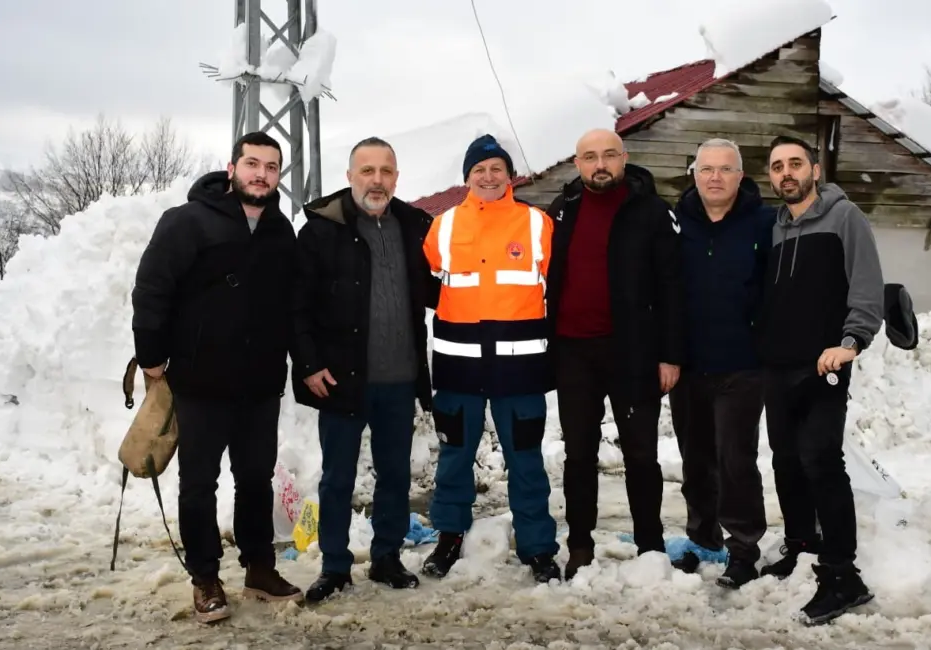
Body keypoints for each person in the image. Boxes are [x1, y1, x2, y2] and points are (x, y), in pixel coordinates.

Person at [131, 131, 301, 623]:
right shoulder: (188, 222)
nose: (261, 174)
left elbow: (291, 304)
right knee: (198, 484)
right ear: (232, 169)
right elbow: (152, 289)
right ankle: (205, 577)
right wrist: (151, 357)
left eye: (271, 167)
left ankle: (259, 568)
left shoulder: (279, 231)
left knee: (255, 479)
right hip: (201, 382)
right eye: (252, 164)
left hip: (260, 384)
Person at [290, 136, 439, 602]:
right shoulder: (320, 230)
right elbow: (296, 308)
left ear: (397, 177)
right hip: (341, 379)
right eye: (367, 170)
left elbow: (440, 290)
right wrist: (310, 364)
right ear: (350, 176)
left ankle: (386, 557)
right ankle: (334, 565)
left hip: (399, 377)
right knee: (338, 478)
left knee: (394, 474)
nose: (377, 180)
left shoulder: (415, 226)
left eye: (386, 171)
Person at [420, 134, 561, 583]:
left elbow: (558, 290)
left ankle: (537, 546)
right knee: (454, 458)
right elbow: (423, 288)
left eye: (495, 168)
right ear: (467, 177)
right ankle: (449, 537)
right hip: (459, 367)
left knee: (526, 460)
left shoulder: (537, 224)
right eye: (478, 170)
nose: (487, 176)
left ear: (509, 174)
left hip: (519, 369)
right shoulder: (442, 226)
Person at [543, 128, 683, 579]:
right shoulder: (562, 211)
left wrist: (669, 354)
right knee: (579, 454)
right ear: (577, 163)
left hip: (633, 353)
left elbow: (671, 287)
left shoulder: (651, 211)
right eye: (589, 157)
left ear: (624, 159)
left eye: (608, 155)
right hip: (574, 353)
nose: (599, 164)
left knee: (641, 454)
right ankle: (580, 545)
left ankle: (650, 546)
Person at [756, 134, 883, 625]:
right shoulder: (775, 227)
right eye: (777, 166)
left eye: (795, 163)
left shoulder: (845, 217)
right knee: (786, 462)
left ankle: (842, 576)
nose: (786, 173)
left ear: (814, 169)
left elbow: (867, 285)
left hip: (824, 365)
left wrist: (850, 342)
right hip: (776, 365)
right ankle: (801, 545)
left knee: (821, 461)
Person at [669, 138, 773, 588]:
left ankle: (744, 549)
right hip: (688, 366)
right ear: (694, 173)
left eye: (725, 169)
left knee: (735, 458)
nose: (715, 177)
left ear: (740, 176)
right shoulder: (674, 224)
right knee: (695, 460)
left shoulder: (765, 223)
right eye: (706, 168)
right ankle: (702, 539)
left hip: (743, 364)